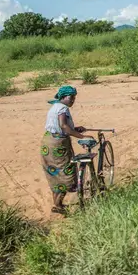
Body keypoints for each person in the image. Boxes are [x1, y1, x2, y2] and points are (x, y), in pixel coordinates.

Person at [40, 85, 88, 215]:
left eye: (74, 98)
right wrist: (82, 137)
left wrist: (75, 128)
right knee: (64, 173)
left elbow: (61, 126)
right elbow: (64, 126)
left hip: (48, 141)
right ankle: (58, 205)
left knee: (55, 173)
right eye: (71, 98)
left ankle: (58, 204)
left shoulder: (55, 107)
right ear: (64, 97)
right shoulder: (62, 108)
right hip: (57, 145)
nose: (73, 100)